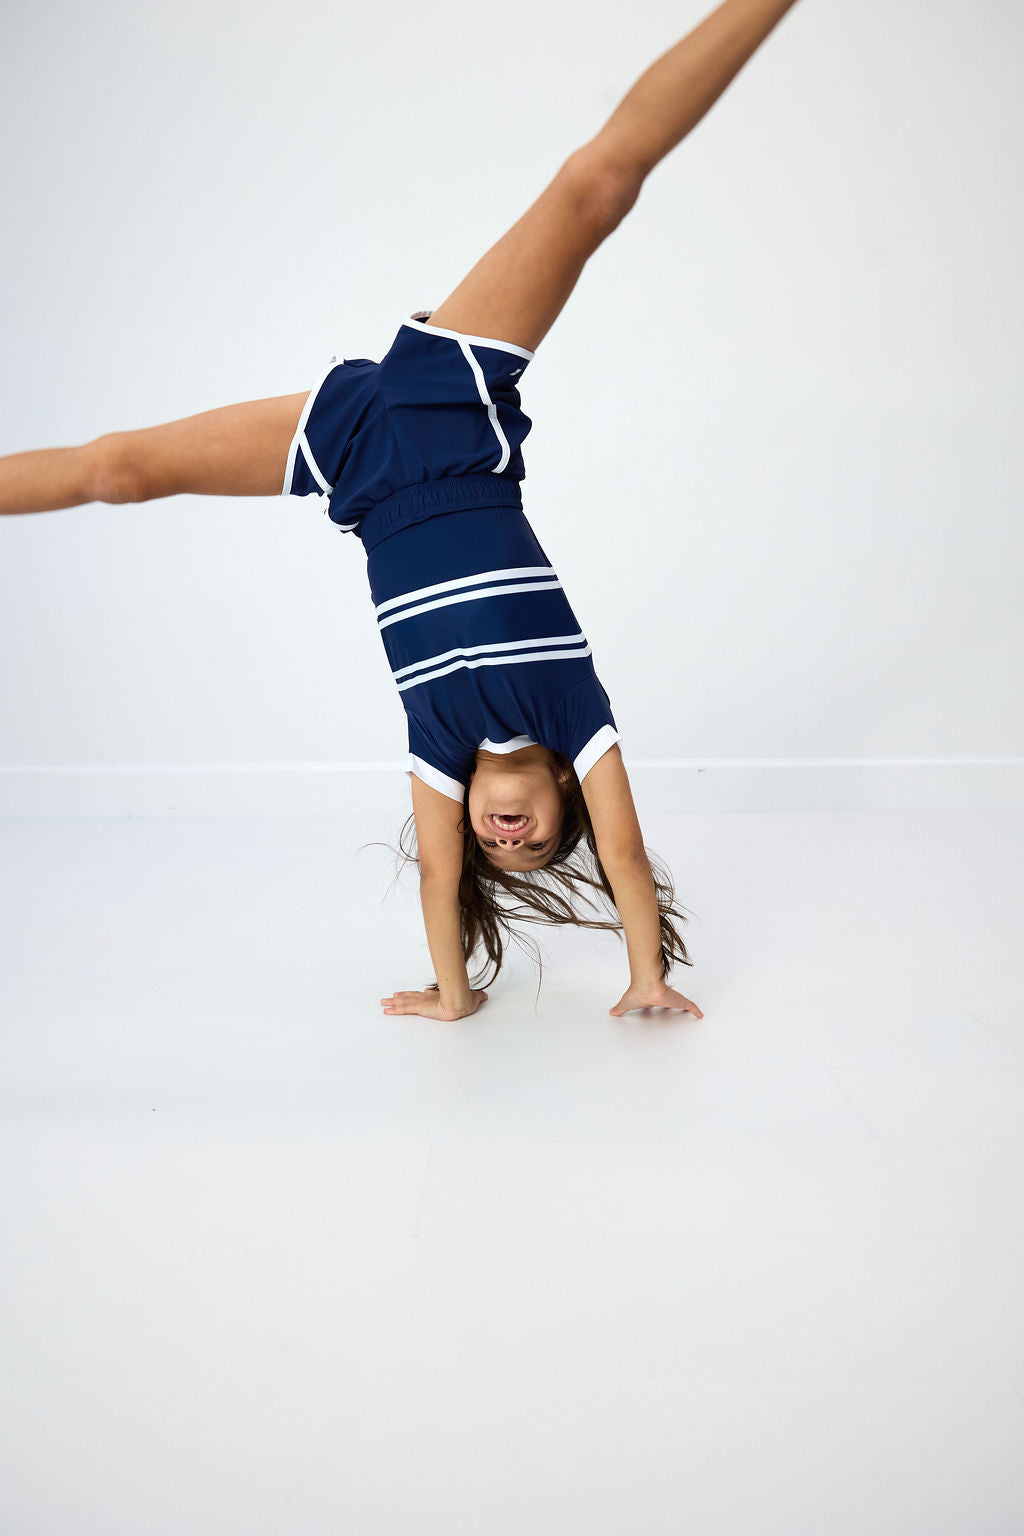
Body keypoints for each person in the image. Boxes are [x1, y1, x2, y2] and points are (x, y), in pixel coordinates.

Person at [0, 0, 803, 1020]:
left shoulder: (438, 742)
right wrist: (646, 979)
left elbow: (436, 880)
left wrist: (455, 995)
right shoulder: (575, 716)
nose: (507, 840)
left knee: (116, 471)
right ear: (563, 798)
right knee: (596, 187)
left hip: (357, 459)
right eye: (541, 840)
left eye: (495, 849)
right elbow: (631, 854)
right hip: (450, 410)